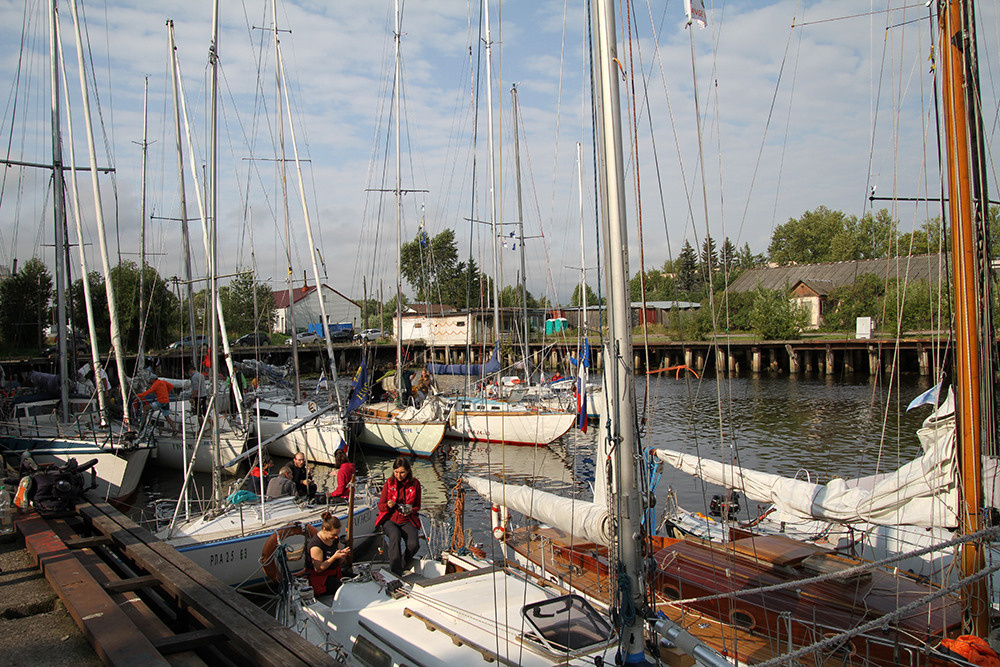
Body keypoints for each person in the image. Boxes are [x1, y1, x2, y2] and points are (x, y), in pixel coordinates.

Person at [375, 456, 421, 576]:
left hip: (407, 519)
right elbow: (381, 506)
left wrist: (410, 510)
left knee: (414, 544)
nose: (399, 475)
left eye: (402, 473)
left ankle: (401, 563)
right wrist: (389, 505)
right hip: (390, 519)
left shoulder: (415, 484)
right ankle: (395, 571)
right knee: (395, 535)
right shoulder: (389, 483)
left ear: (408, 471)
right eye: (396, 472)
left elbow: (417, 506)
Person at [306, 512, 351, 596]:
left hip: (334, 573)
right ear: (324, 530)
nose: (336, 537)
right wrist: (334, 557)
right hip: (320, 578)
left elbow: (339, 562)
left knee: (356, 578)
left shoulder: (335, 540)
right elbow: (318, 568)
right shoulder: (316, 545)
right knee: (344, 588)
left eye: (337, 534)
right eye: (334, 534)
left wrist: (342, 556)